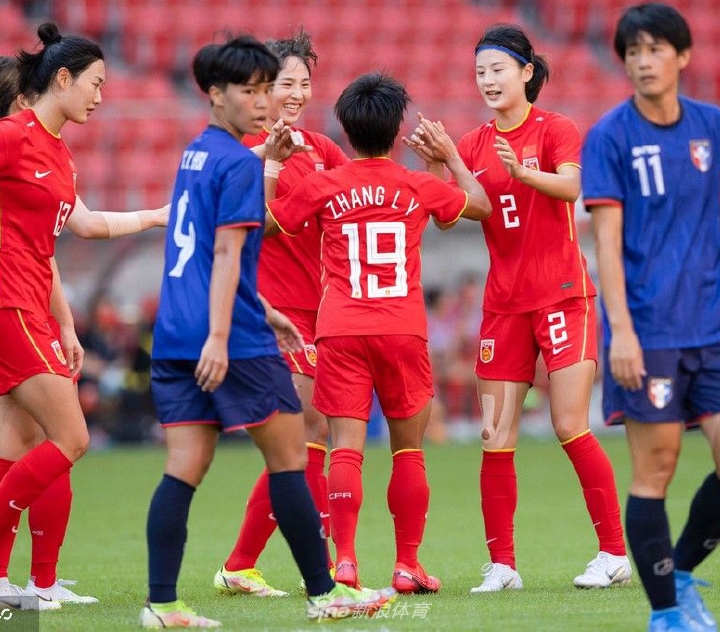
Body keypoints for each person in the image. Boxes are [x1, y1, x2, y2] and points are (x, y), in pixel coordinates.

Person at [143, 35, 393, 627]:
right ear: (215, 94)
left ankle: (163, 605)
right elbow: (228, 255)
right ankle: (325, 592)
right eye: (250, 91)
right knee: (292, 458)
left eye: (265, 89)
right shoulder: (238, 162)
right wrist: (226, 335)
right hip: (230, 338)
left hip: (176, 331)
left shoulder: (198, 153)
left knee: (183, 468)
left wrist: (261, 309)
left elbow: (204, 253)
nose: (262, 102)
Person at [0, 54, 168, 606]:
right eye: (95, 84)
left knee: (13, 445)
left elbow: (88, 225)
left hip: (17, 306)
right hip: (4, 305)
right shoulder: (12, 135)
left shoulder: (57, 151)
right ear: (62, 80)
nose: (101, 96)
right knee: (70, 438)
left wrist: (156, 215)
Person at [582, 4, 720, 630]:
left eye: (655, 48)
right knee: (658, 468)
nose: (644, 60)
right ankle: (668, 614)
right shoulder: (610, 137)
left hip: (714, 327)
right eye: (633, 51)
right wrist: (620, 329)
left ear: (682, 56)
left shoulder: (712, 125)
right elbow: (607, 242)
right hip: (647, 333)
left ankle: (682, 570)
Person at [408, 23, 630, 592]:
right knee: (494, 434)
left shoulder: (556, 128)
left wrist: (524, 170)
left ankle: (613, 553)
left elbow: (570, 188)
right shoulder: (475, 145)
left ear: (527, 72)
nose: (487, 80)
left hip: (562, 295)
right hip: (504, 307)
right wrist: (440, 162)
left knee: (568, 423)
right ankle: (503, 566)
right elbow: (454, 212)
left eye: (497, 69)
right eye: (480, 71)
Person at [268, 72, 491, 595]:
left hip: (340, 329)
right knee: (408, 450)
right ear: (398, 131)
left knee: (345, 448)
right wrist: (450, 156)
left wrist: (274, 165)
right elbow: (477, 205)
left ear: (345, 131)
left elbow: (267, 220)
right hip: (402, 329)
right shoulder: (416, 183)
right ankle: (406, 563)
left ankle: (343, 561)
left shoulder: (324, 183)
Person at [214, 28, 349, 598]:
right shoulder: (246, 151)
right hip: (275, 311)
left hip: (323, 309)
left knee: (309, 436)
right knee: (301, 435)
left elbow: (356, 197)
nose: (295, 93)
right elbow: (258, 226)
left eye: (303, 82)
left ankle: (259, 563)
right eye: (284, 82)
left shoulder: (323, 148)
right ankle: (266, 564)